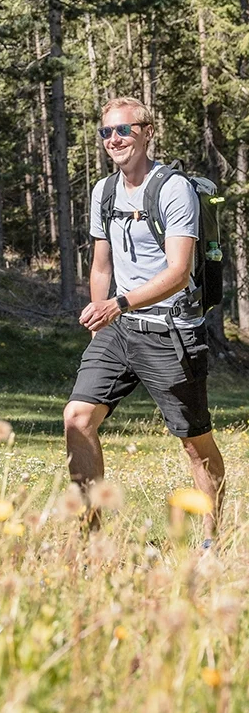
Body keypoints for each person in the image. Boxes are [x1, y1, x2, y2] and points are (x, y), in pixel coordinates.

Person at [63, 96, 224, 537]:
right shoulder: (103, 191)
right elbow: (101, 266)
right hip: (118, 330)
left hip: (170, 330)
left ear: (147, 132)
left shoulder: (173, 189)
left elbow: (177, 272)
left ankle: (212, 538)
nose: (114, 139)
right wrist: (102, 317)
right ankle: (89, 536)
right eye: (106, 132)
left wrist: (120, 303)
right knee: (77, 418)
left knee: (194, 444)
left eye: (124, 130)